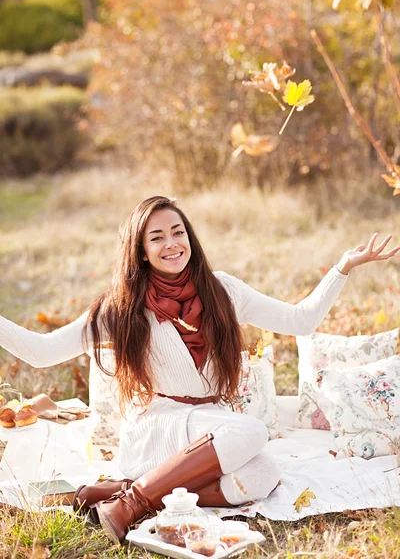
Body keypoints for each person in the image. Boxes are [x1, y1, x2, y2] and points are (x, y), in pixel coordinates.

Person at [0, 196, 398, 544]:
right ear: (140, 251)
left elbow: (300, 320)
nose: (171, 244)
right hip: (159, 426)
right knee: (253, 430)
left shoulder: (223, 290)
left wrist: (343, 267)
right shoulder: (121, 309)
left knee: (263, 473)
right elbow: (41, 352)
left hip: (207, 426)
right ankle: (129, 505)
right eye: (157, 237)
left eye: (178, 232)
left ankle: (127, 491)